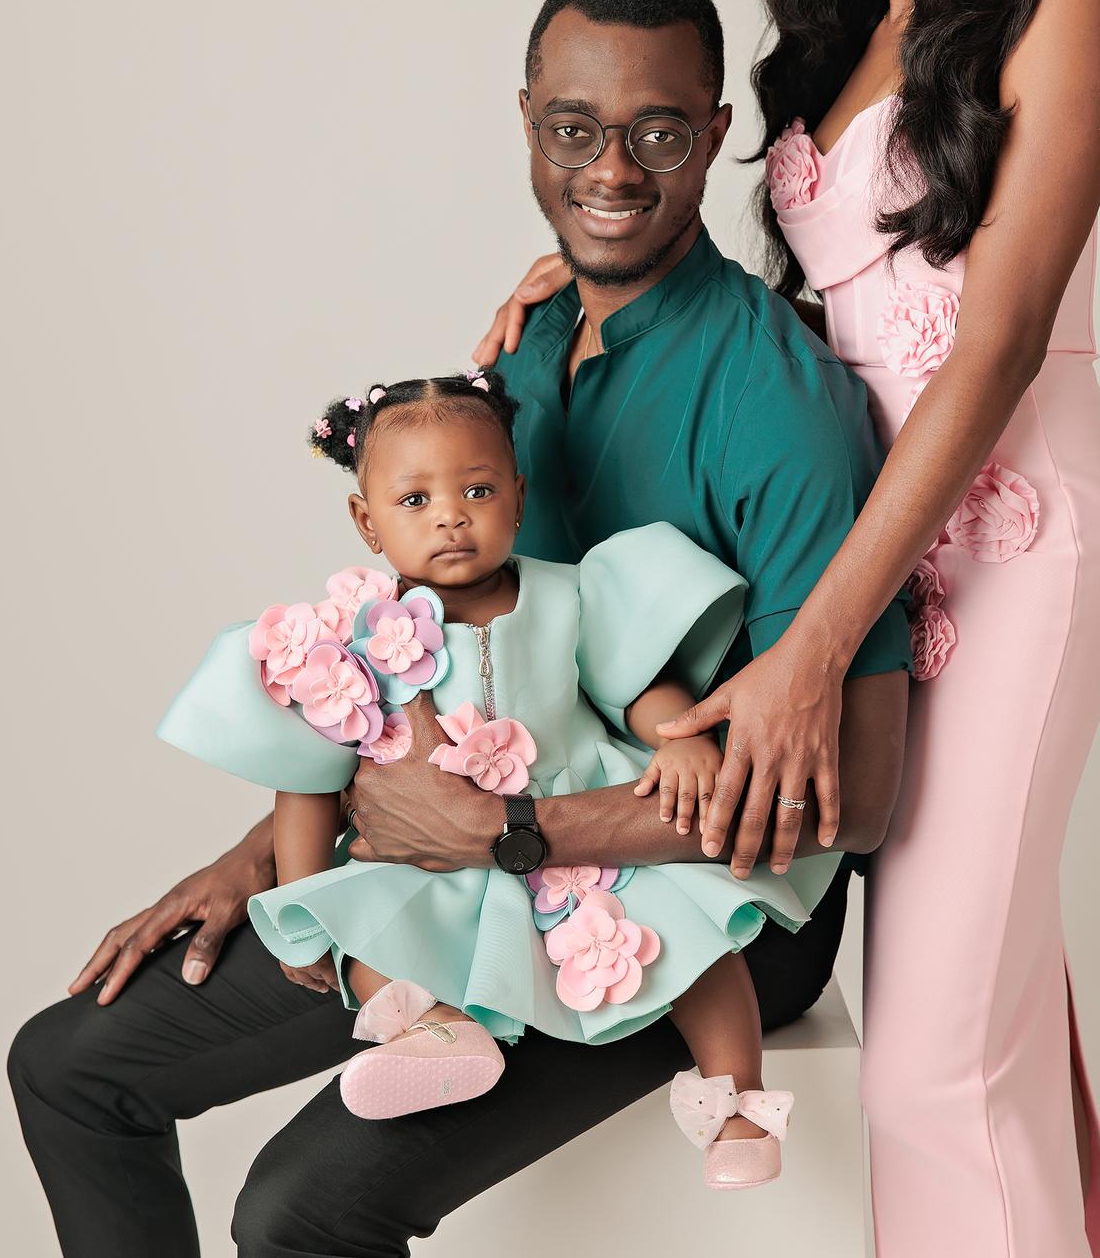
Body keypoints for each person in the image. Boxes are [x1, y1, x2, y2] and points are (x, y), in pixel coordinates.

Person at [8, 0, 909, 1258]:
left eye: (657, 132)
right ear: (526, 121)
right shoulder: (526, 350)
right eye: (572, 128)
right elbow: (460, 651)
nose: (609, 171)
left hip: (693, 906)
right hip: (463, 859)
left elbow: (854, 797)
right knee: (70, 1066)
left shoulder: (779, 402)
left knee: (301, 1220)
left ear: (714, 131)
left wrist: (513, 834)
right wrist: (258, 859)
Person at [480, 0, 1100, 1258]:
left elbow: (992, 344)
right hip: (874, 565)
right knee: (978, 1055)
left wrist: (805, 649)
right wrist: (587, 285)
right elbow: (815, 328)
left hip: (1012, 549)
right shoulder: (827, 34)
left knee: (939, 1071)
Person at [163, 366, 826, 1186]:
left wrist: (679, 737)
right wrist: (301, 903)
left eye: (476, 491)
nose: (450, 516)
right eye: (414, 500)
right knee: (366, 933)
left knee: (692, 943)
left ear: (517, 497)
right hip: (431, 856)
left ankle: (737, 1107)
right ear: (366, 523)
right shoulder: (346, 643)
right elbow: (309, 780)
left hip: (579, 826)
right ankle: (437, 1032)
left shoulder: (571, 595)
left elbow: (636, 683)